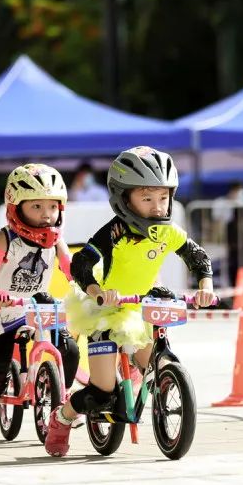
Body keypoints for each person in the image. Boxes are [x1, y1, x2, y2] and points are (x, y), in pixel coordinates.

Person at [44, 146, 215, 457]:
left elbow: (198, 257)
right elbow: (81, 263)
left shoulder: (169, 232)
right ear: (124, 198)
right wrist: (96, 290)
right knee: (101, 393)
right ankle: (62, 417)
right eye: (146, 198)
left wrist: (206, 285)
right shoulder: (115, 232)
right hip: (106, 310)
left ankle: (149, 377)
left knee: (159, 361)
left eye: (163, 198)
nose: (157, 206)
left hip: (141, 307)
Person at [0, 164, 80, 441]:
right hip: (4, 311)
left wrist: (83, 285)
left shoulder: (56, 240)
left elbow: (70, 267)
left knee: (69, 349)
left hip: (37, 307)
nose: (46, 214)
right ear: (16, 207)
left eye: (52, 207)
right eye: (36, 206)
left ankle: (63, 399)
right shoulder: (6, 237)